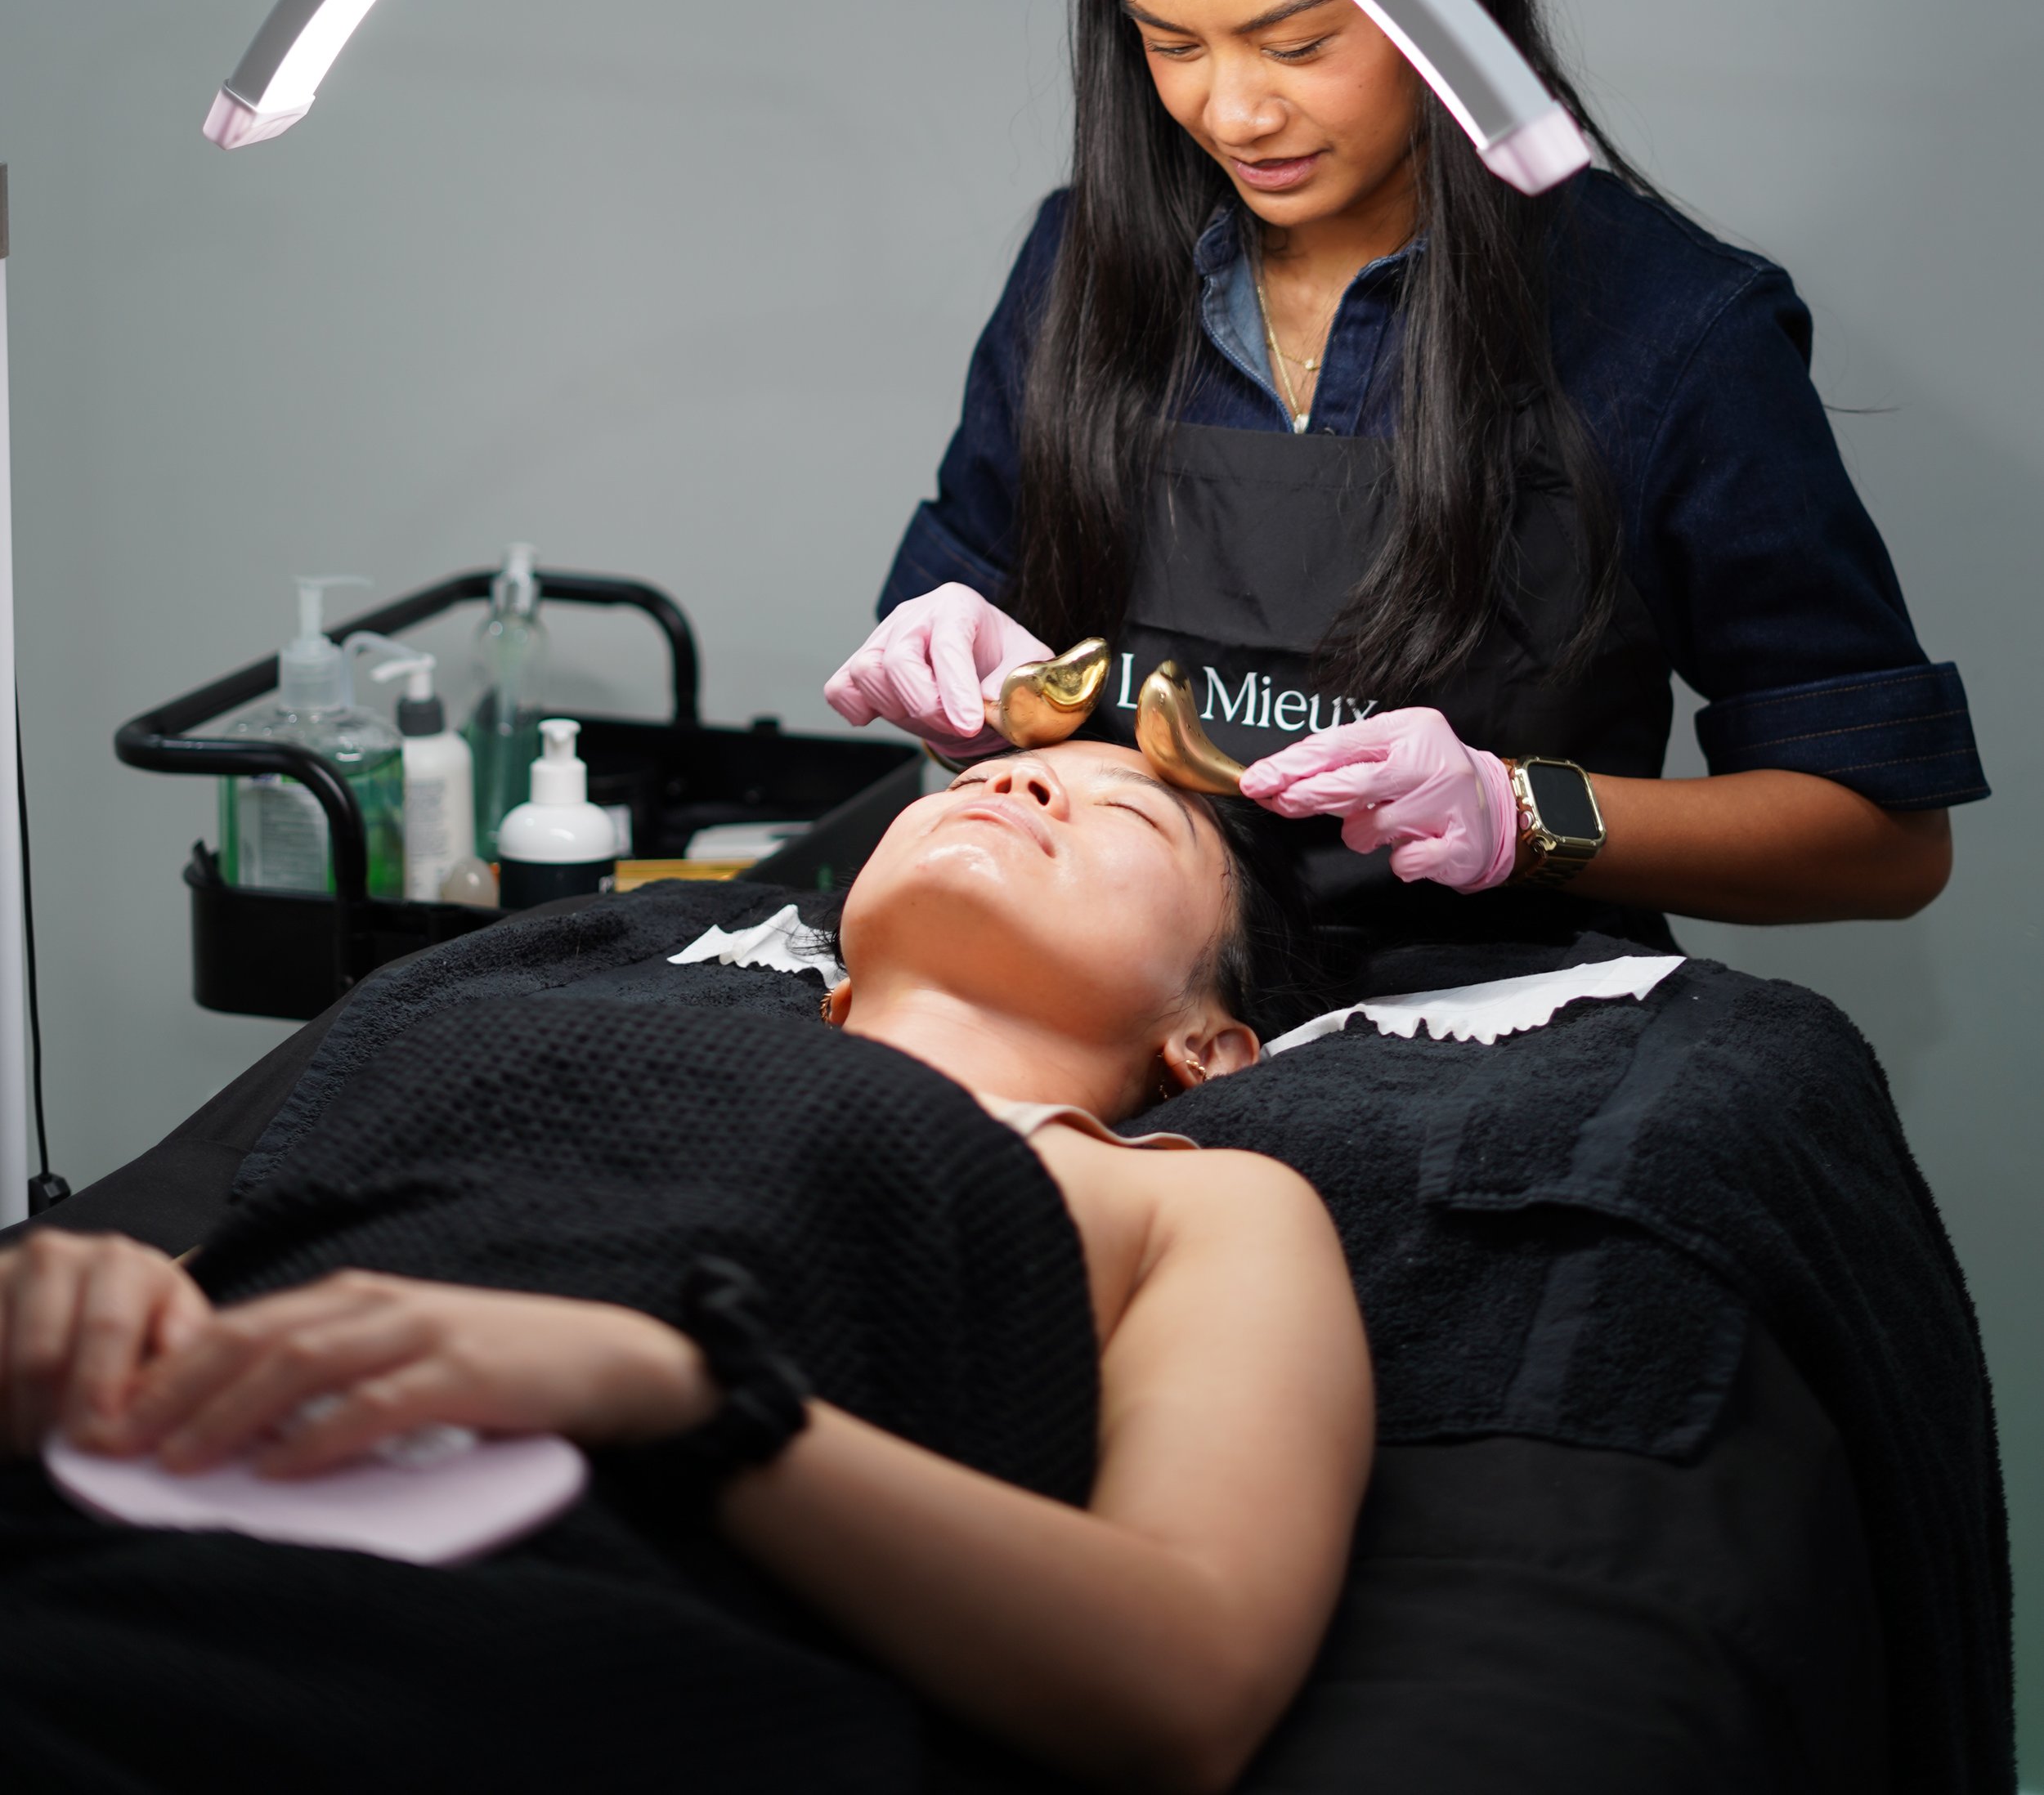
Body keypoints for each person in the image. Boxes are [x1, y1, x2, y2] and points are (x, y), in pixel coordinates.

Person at [829, 0, 1986, 943]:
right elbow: (985, 727)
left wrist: (1520, 814)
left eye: (1299, 41)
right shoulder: (1076, 273)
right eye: (1173, 43)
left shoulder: (1670, 331)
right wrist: (959, 685)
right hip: (1141, 1030)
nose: (1236, 111)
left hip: (1493, 1065)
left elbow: (1885, 837)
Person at [0, 742, 1368, 1795]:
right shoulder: (528, 1022)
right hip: (119, 1526)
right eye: (996, 769)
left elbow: (1188, 1680)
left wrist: (688, 1401)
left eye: (1127, 812)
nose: (1017, 779)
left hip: (516, 1656)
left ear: (1209, 1041)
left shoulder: (1186, 1196)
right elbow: (280, 1271)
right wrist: (91, 1310)